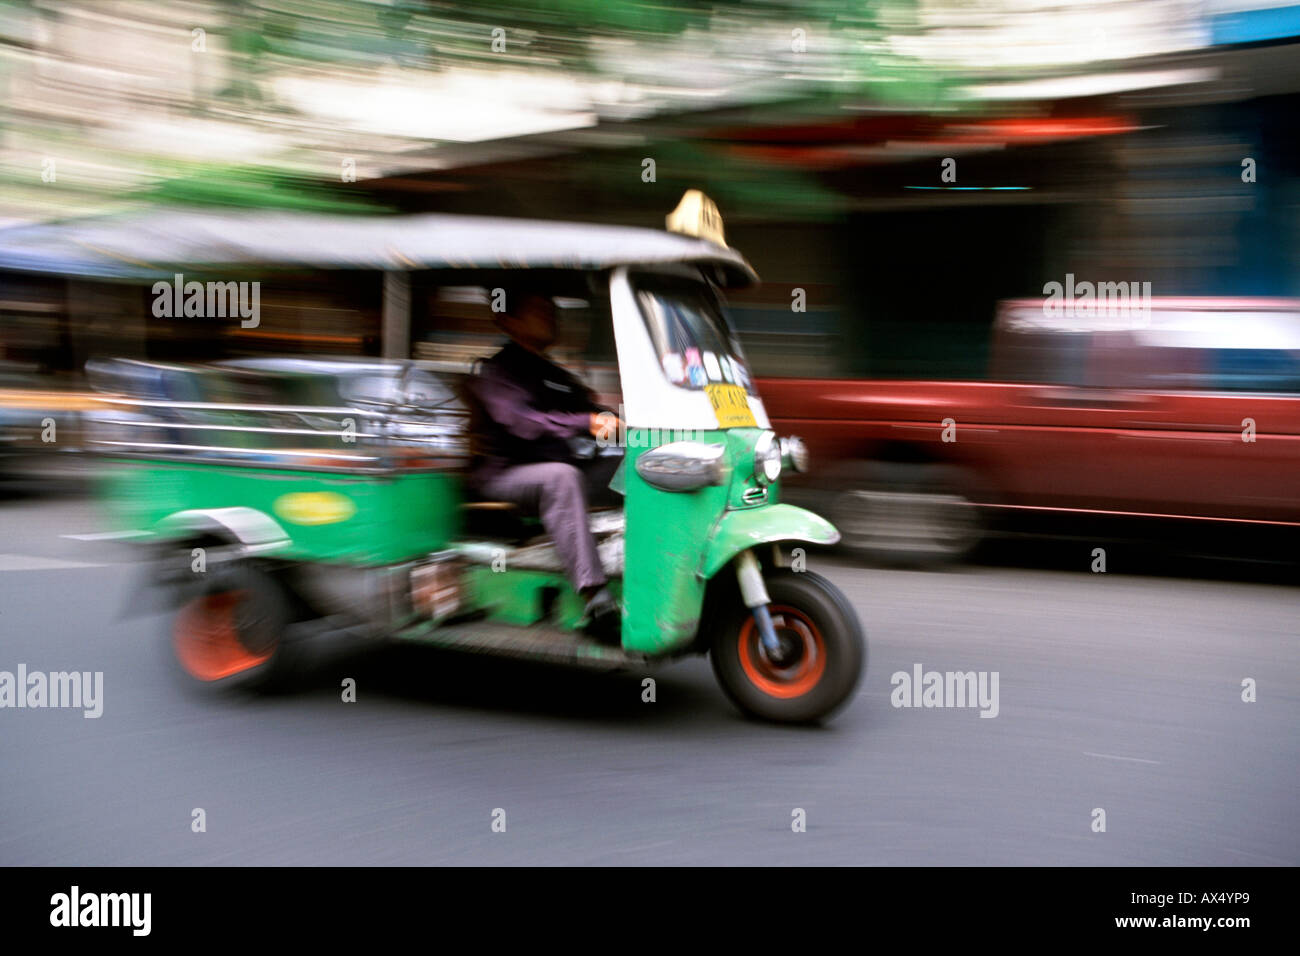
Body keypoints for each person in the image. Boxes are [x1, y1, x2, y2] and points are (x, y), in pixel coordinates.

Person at [465, 290, 623, 638]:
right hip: (506, 476)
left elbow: (589, 410)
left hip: (563, 463)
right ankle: (596, 600)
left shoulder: (553, 373)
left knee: (637, 464)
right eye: (540, 308)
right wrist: (585, 422)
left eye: (553, 309)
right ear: (509, 321)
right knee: (560, 478)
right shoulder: (497, 371)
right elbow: (522, 423)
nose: (552, 316)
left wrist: (618, 423)